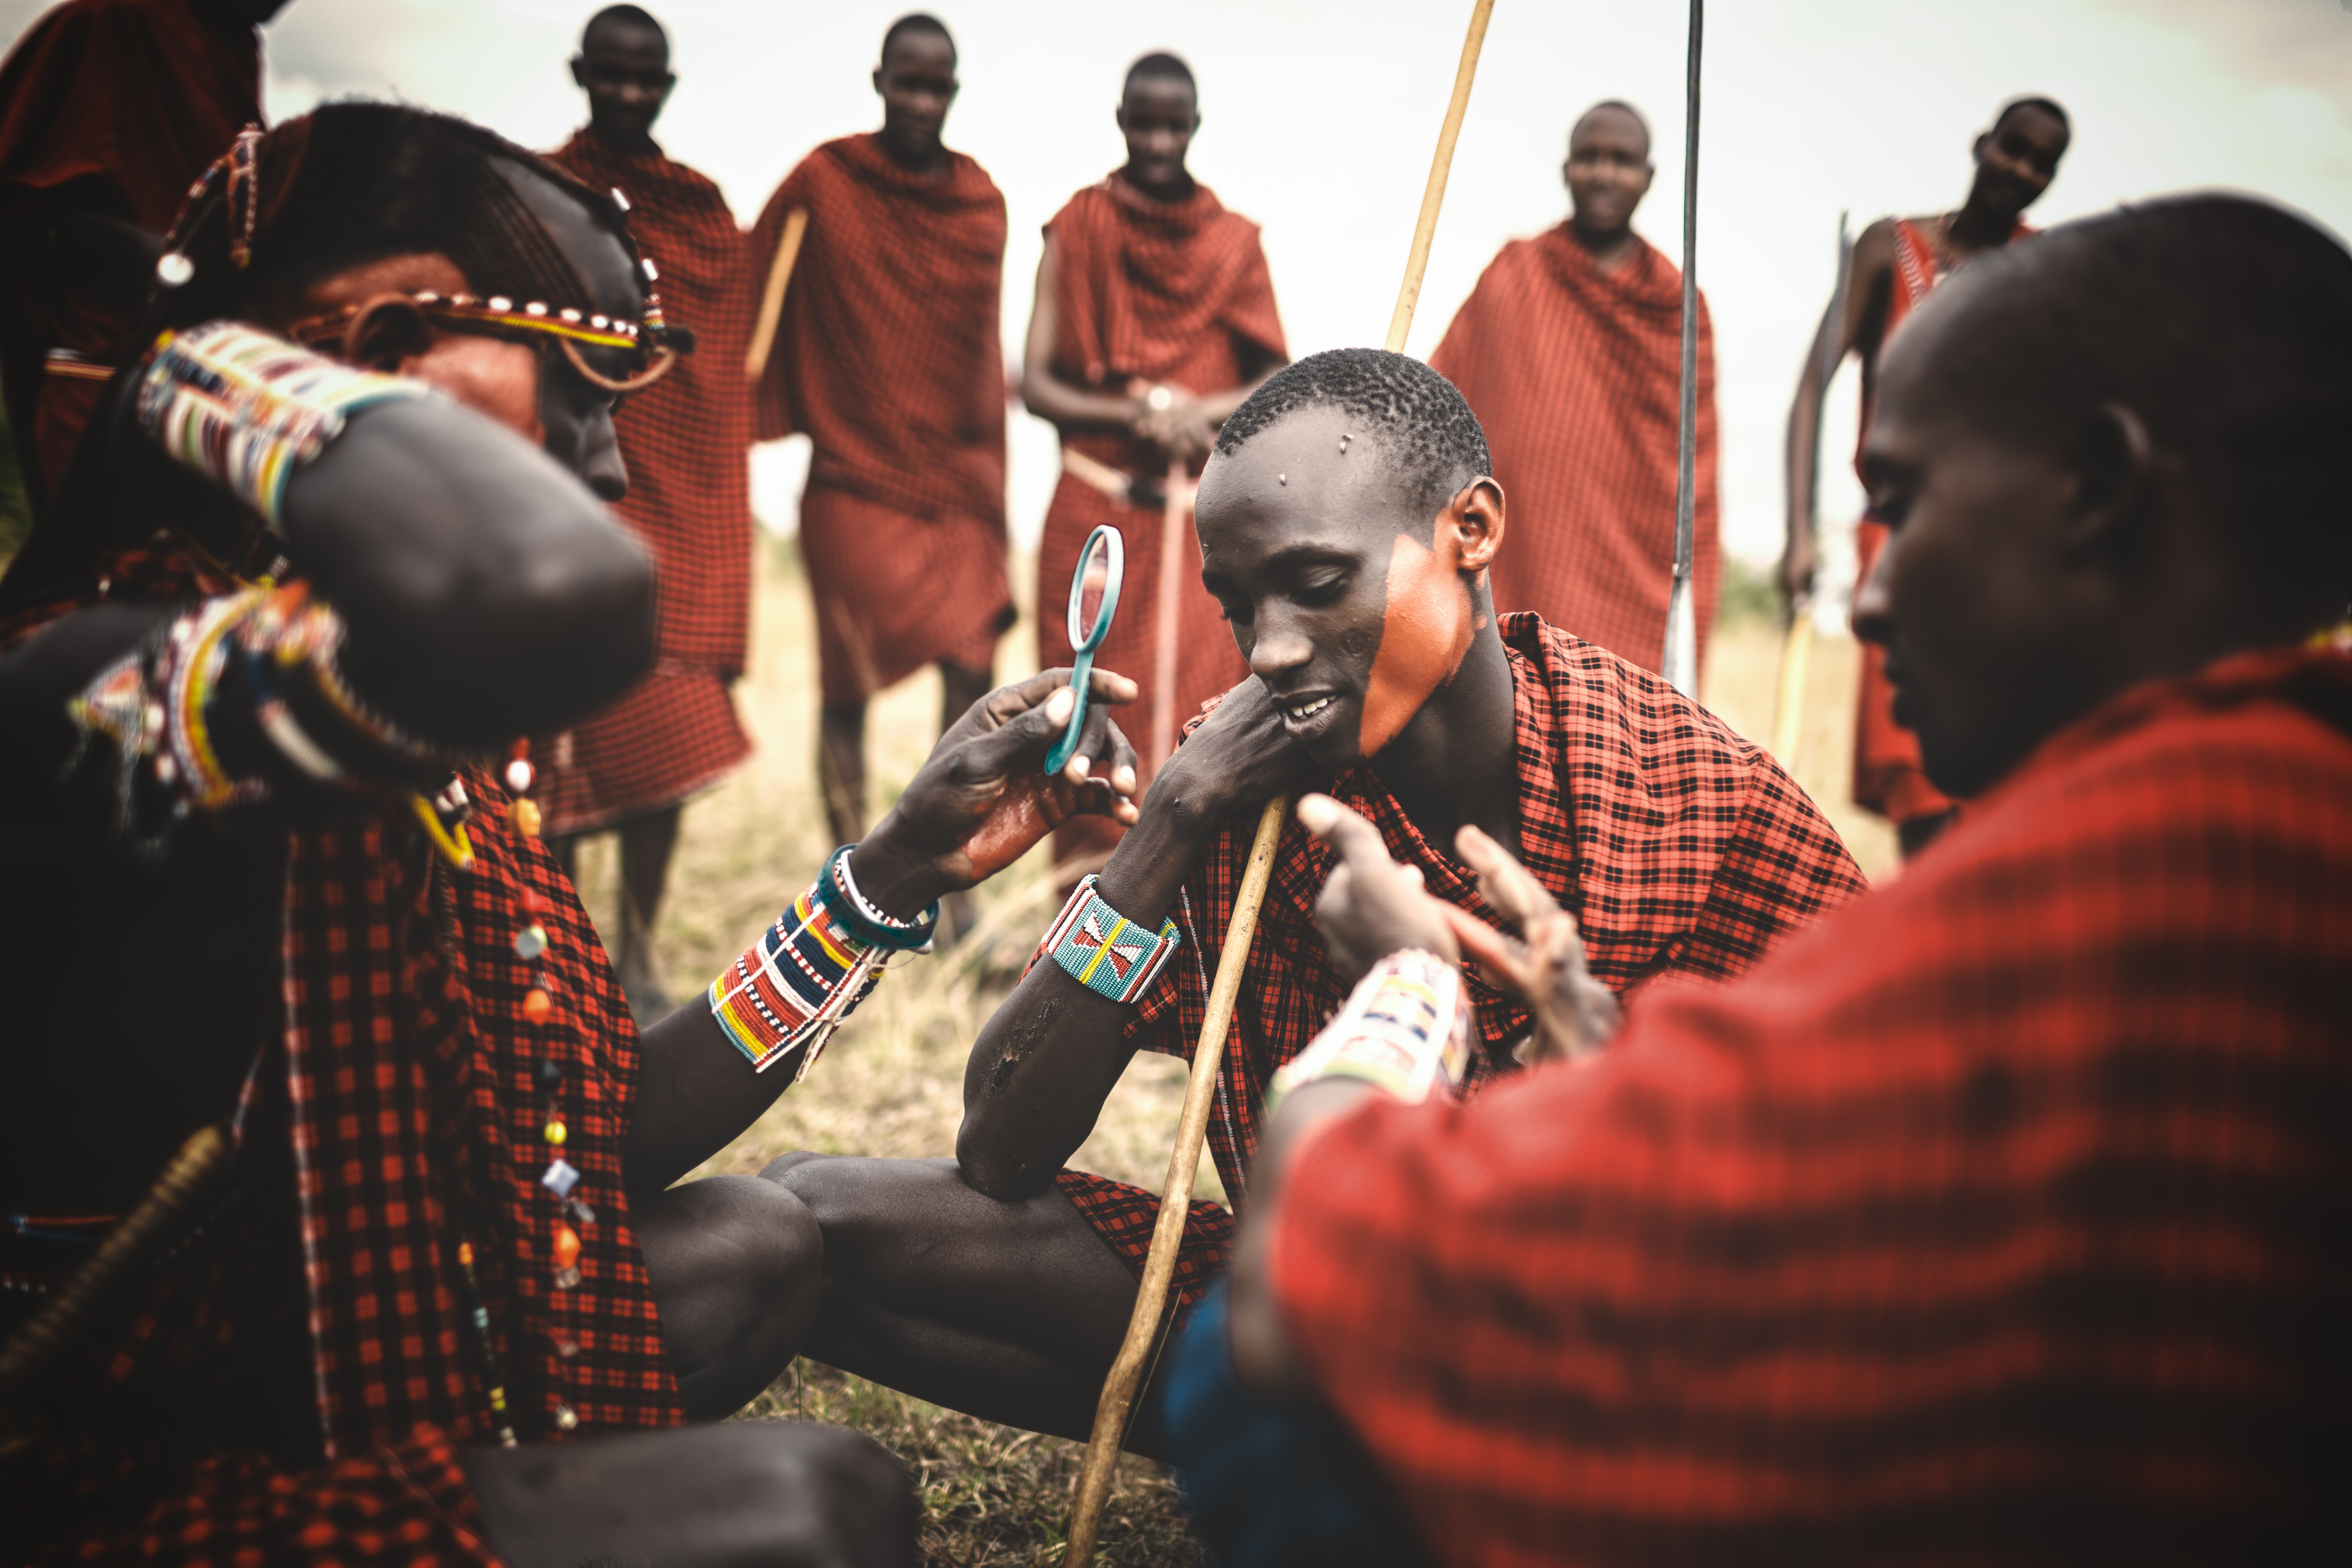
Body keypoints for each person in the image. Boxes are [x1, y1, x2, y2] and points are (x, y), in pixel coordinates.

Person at [0, 102, 1143, 1565]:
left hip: (357, 1366)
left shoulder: (422, 740)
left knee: (766, 1240)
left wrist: (891, 874)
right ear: (363, 348)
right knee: (814, 1512)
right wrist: (198, 352)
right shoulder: (102, 688)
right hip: (121, 1482)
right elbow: (541, 584)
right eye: (580, 385)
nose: (609, 465)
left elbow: (586, 1144)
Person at [1175, 193, 2352, 1565]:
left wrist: (1402, 993)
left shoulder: (2101, 892)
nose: (1867, 594)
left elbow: (1317, 1282)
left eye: (1898, 506)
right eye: (1235, 606)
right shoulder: (2278, 805)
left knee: (1259, 1401)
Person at [765, 348, 1870, 1451]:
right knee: (799, 1215)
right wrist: (1168, 826)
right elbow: (1002, 1150)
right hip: (1323, 1316)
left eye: (1319, 584)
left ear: (1470, 532)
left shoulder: (1685, 790)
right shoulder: (1244, 794)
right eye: (1239, 606)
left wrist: (1415, 993)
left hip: (1618, 1388)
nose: (1273, 649)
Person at [750, 12, 1012, 859]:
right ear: (879, 83)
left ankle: (943, 858)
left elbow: (971, 356)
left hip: (958, 479)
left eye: (937, 87)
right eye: (908, 83)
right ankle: (850, 873)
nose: (922, 101)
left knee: (974, 666)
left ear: (957, 93)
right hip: (853, 475)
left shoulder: (980, 203)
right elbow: (748, 290)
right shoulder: (823, 183)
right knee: (846, 683)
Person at [539, 4, 757, 1019]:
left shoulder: (701, 209)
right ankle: (554, 939)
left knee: (665, 726)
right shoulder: (534, 194)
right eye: (611, 75)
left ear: (667, 87)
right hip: (570, 484)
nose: (628, 93)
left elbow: (717, 367)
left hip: (678, 494)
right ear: (581, 73)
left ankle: (633, 946)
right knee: (562, 728)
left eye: (646, 79)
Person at [1021, 49, 1287, 875]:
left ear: (1195, 127)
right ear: (1122, 121)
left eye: (1175, 125)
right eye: (1145, 122)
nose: (1159, 140)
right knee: (1086, 709)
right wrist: (1141, 413)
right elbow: (1036, 383)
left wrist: (1191, 413)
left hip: (1199, 523)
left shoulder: (1233, 242)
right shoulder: (1079, 226)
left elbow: (1276, 376)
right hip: (1097, 513)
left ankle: (1189, 904)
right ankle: (1076, 919)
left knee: (1203, 712)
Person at [1784, 95, 2070, 857]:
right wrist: (1797, 535)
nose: (2024, 170)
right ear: (1982, 145)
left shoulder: (2049, 268)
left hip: (2003, 555)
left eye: (2044, 162)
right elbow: (1813, 387)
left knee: (1992, 779)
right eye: (2014, 149)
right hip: (1902, 543)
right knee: (1922, 774)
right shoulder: (1891, 247)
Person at [1428, 100, 1717, 678]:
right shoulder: (1515, 273)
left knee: (1617, 724)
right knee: (1506, 714)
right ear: (1565, 170)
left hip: (1632, 571)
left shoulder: (1676, 304)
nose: (1603, 173)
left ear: (1649, 178)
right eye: (1588, 158)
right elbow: (1437, 399)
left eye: (1622, 160)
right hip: (1519, 554)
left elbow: (1695, 471)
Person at [0, 0, 286, 516]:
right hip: (101, 366)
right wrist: (146, 254)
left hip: (200, 377)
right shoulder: (111, 20)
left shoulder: (236, 51)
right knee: (93, 573)